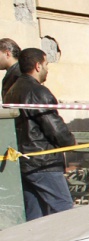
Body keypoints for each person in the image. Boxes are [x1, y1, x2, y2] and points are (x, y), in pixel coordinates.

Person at [5, 48, 75, 220]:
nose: (47, 69)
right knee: (64, 209)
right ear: (38, 66)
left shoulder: (11, 91)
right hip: (43, 162)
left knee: (34, 216)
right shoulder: (38, 91)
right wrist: (70, 142)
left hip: (24, 161)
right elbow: (55, 128)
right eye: (46, 65)